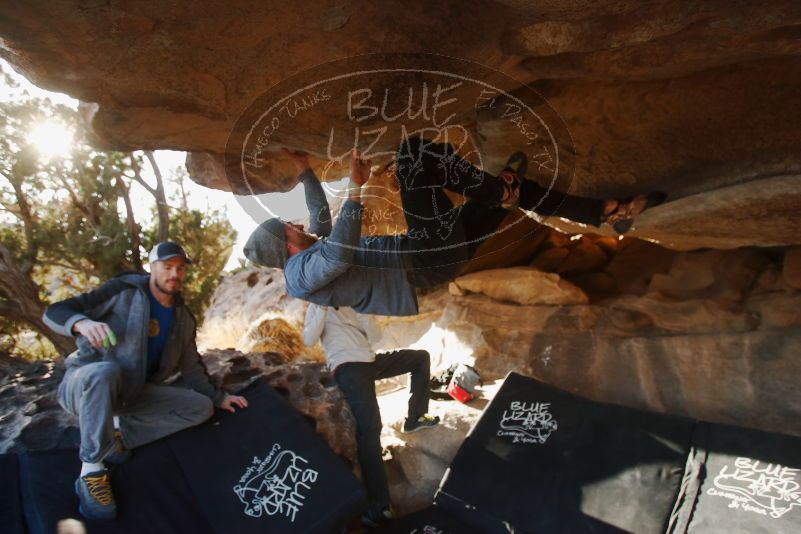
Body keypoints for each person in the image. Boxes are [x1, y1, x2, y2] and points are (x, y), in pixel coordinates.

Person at [244, 136, 662, 316]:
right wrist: (355, 187)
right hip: (421, 264)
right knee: (411, 157)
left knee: (517, 192)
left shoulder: (308, 247)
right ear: (284, 241)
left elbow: (318, 212)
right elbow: (339, 255)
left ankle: (604, 213)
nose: (296, 222)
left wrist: (303, 169)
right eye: (287, 224)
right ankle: (496, 191)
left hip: (432, 253)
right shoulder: (299, 278)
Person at [43, 242, 249, 521]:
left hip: (132, 397)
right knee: (105, 372)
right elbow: (55, 311)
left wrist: (218, 397)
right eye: (166, 267)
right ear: (152, 267)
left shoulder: (183, 318)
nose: (173, 274)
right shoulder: (123, 290)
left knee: (199, 408)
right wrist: (82, 323)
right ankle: (91, 470)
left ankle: (119, 435)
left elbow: (191, 367)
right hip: (85, 386)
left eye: (180, 268)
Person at [302, 303, 439, 527]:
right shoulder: (317, 306)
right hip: (347, 367)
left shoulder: (352, 302)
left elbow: (375, 336)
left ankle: (415, 418)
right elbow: (308, 338)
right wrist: (321, 306)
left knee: (420, 358)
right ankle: (378, 506)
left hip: (370, 361)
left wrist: (361, 312)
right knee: (370, 429)